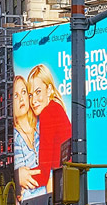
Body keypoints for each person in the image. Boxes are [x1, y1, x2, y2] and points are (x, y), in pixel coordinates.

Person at [25, 65, 72, 194]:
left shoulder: (48, 113)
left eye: (38, 92)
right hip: (69, 179)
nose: (33, 100)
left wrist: (20, 177)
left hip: (61, 182)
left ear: (49, 89)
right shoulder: (56, 108)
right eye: (30, 95)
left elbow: (43, 173)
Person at [13, 76, 45, 201]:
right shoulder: (15, 138)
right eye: (15, 96)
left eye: (23, 92)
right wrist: (17, 176)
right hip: (31, 199)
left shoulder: (42, 123)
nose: (21, 98)